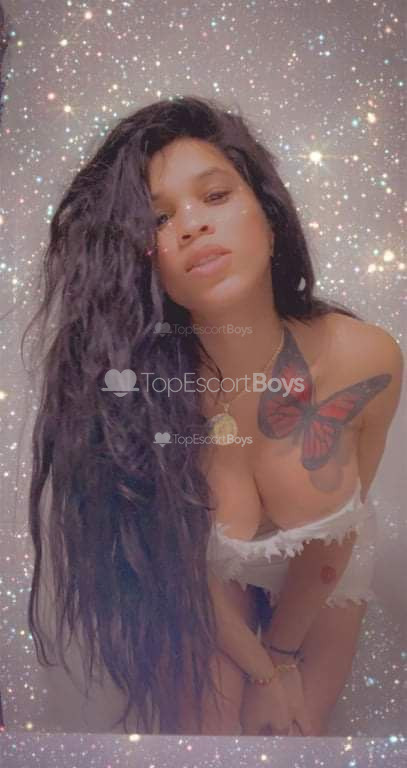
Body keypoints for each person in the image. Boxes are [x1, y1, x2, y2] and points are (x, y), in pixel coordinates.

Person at [22, 95, 403, 736]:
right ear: (142, 262)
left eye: (216, 196)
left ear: (269, 219)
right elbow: (171, 561)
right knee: (209, 730)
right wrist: (260, 672)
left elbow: (337, 535)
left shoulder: (363, 358)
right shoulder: (140, 394)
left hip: (321, 576)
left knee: (293, 735)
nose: (192, 226)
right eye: (158, 218)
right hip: (200, 586)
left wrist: (283, 660)